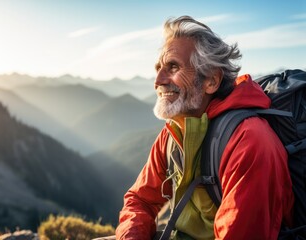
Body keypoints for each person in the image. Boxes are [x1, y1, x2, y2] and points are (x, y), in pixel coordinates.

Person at [115, 16, 294, 240]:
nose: (158, 80)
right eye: (158, 68)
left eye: (173, 67)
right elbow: (139, 200)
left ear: (211, 80)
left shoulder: (249, 141)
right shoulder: (174, 133)